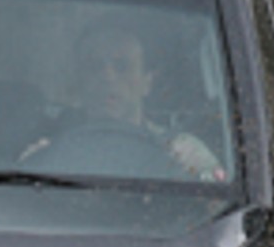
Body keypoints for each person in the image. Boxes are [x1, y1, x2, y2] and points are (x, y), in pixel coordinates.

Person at [24, 17, 226, 181]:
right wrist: (36, 165)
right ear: (79, 80)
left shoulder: (181, 148)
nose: (107, 77)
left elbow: (218, 208)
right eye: (94, 66)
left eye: (122, 66)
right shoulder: (52, 147)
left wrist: (196, 172)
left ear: (147, 82)